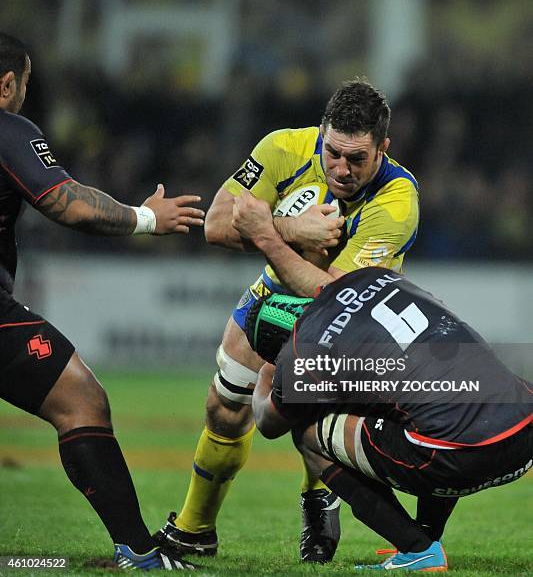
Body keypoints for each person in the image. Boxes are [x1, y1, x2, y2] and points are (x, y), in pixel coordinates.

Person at [156, 79, 419, 562]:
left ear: (384, 147)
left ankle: (319, 497)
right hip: (275, 292)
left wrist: (267, 233)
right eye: (332, 152)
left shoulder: (398, 200)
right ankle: (194, 530)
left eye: (356, 159)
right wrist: (292, 228)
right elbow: (215, 225)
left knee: (315, 424)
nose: (341, 169)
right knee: (224, 405)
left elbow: (333, 293)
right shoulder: (281, 148)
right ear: (321, 131)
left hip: (349, 317)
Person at [0, 32, 205, 570]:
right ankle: (138, 551)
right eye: (24, 83)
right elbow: (67, 204)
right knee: (81, 399)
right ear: (6, 84)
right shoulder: (7, 128)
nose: (24, 93)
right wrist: (146, 218)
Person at [244, 269, 533, 572]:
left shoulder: (301, 356)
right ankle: (427, 534)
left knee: (308, 437)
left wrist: (267, 374)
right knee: (429, 409)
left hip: (456, 456)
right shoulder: (372, 279)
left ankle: (416, 548)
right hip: (523, 431)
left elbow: (268, 424)